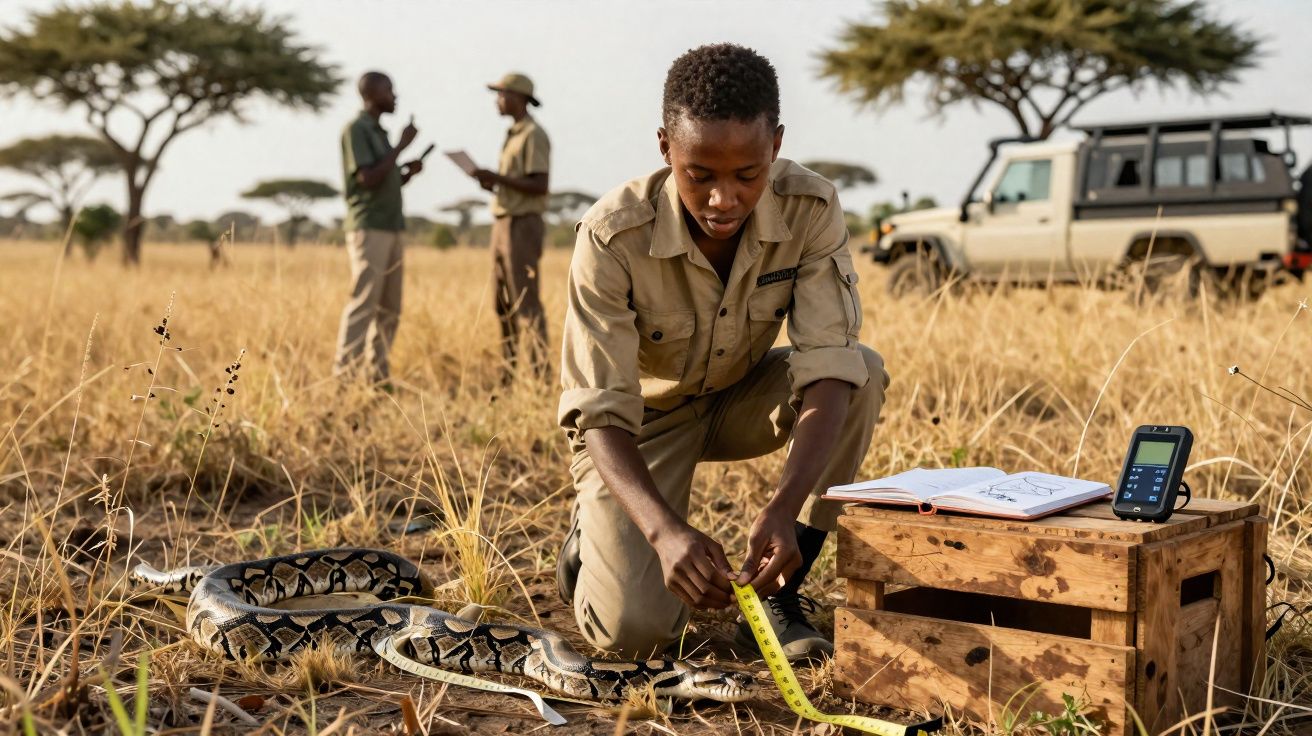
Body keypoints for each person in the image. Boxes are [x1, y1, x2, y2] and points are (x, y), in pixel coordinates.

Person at [555, 43, 889, 662]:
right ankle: (591, 538)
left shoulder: (810, 208)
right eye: (699, 175)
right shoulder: (611, 235)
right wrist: (662, 532)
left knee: (861, 371)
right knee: (635, 635)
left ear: (777, 146)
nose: (723, 200)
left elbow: (827, 368)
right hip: (641, 426)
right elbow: (599, 410)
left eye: (748, 175)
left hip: (742, 397)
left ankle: (780, 600)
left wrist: (786, 508)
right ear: (665, 149)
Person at [334, 71, 425, 385]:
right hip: (369, 226)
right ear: (371, 94)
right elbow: (367, 179)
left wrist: (406, 173)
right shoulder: (357, 130)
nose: (395, 96)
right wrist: (400, 147)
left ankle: (377, 377)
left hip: (391, 225)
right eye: (389, 90)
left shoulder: (378, 132)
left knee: (390, 307)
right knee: (364, 302)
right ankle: (345, 377)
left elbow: (384, 177)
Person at [470, 73, 551, 378]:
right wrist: (494, 183)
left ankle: (540, 376)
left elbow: (539, 185)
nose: (498, 100)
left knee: (524, 301)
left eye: (501, 94)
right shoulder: (514, 134)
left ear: (518, 97)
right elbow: (520, 184)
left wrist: (498, 177)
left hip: (522, 225)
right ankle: (508, 373)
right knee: (501, 302)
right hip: (503, 221)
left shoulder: (533, 134)